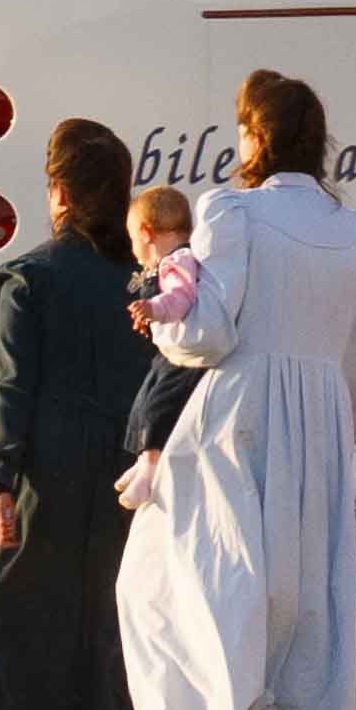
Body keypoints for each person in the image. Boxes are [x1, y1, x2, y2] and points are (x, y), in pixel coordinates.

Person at [116, 70, 356, 710]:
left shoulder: (231, 212)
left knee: (200, 561)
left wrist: (159, 326)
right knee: (298, 578)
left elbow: (205, 335)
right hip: (323, 411)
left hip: (241, 405)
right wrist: (333, 424)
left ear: (256, 137)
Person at [0, 118, 159, 710]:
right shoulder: (147, 281)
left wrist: (2, 476)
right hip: (131, 463)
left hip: (52, 466)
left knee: (44, 602)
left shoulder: (31, 278)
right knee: (122, 598)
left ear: (58, 192)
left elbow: (13, 387)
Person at [114, 186, 207, 510]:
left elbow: (180, 298)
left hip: (182, 358)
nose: (133, 249)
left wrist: (154, 309)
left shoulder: (179, 261)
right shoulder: (169, 262)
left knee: (158, 406)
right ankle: (142, 461)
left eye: (132, 238)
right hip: (168, 353)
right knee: (144, 402)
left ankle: (150, 468)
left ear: (145, 233)